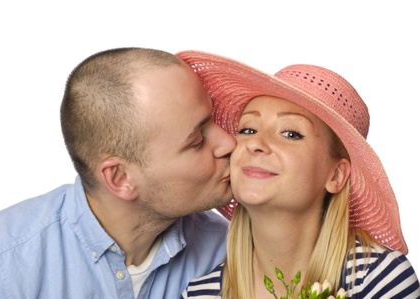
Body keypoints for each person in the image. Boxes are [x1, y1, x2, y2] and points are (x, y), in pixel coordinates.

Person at [0, 47, 237, 299]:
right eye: (197, 140)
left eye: (213, 119)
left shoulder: (228, 250)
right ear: (120, 179)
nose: (229, 142)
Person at [177, 50, 420, 298]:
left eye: (291, 134)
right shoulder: (199, 293)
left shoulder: (379, 279)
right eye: (248, 129)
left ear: (336, 175)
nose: (255, 143)